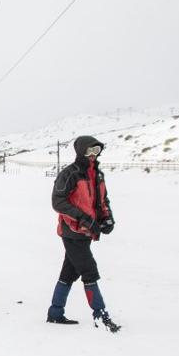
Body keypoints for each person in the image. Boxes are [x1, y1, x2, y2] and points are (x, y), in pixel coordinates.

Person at [47, 135, 122, 332]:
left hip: (88, 232)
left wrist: (107, 218)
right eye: (89, 151)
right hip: (72, 231)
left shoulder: (97, 175)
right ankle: (100, 314)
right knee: (89, 271)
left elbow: (103, 200)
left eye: (96, 151)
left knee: (69, 272)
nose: (92, 155)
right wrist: (83, 219)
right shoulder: (70, 174)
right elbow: (58, 202)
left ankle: (55, 313)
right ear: (80, 152)